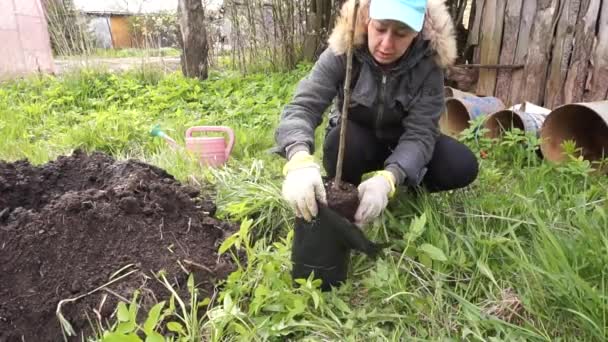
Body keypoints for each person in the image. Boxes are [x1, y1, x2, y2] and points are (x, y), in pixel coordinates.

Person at [273, 0, 478, 227]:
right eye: (380, 29)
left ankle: (406, 184)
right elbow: (304, 106)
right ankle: (345, 195)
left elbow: (421, 133)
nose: (386, 44)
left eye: (401, 34)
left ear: (417, 32)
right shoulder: (344, 51)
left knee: (461, 164)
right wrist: (298, 158)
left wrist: (389, 179)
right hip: (358, 143)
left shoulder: (429, 64)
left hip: (403, 142)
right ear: (367, 19)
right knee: (341, 139)